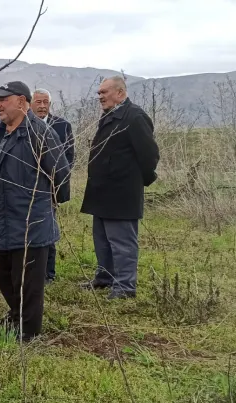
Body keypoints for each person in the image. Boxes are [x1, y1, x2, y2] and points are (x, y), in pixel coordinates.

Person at [0, 81, 70, 341]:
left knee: (28, 283)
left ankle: (28, 333)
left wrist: (45, 206)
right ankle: (15, 316)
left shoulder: (39, 132)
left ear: (21, 102)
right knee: (4, 274)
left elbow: (61, 175)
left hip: (30, 220)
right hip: (1, 217)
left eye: (3, 100)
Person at [81, 76, 160, 300]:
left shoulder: (134, 117)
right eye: (99, 93)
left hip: (121, 193)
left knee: (122, 242)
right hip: (101, 192)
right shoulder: (110, 116)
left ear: (120, 93)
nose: (100, 97)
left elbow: (150, 155)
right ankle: (105, 278)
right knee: (102, 240)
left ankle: (125, 287)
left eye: (104, 92)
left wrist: (136, 181)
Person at [31, 88, 76, 284]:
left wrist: (56, 182)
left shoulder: (62, 125)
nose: (42, 106)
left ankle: (48, 273)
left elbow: (68, 157)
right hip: (28, 188)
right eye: (38, 102)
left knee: (48, 230)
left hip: (50, 189)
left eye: (45, 102)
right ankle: (31, 270)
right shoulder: (25, 124)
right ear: (31, 104)